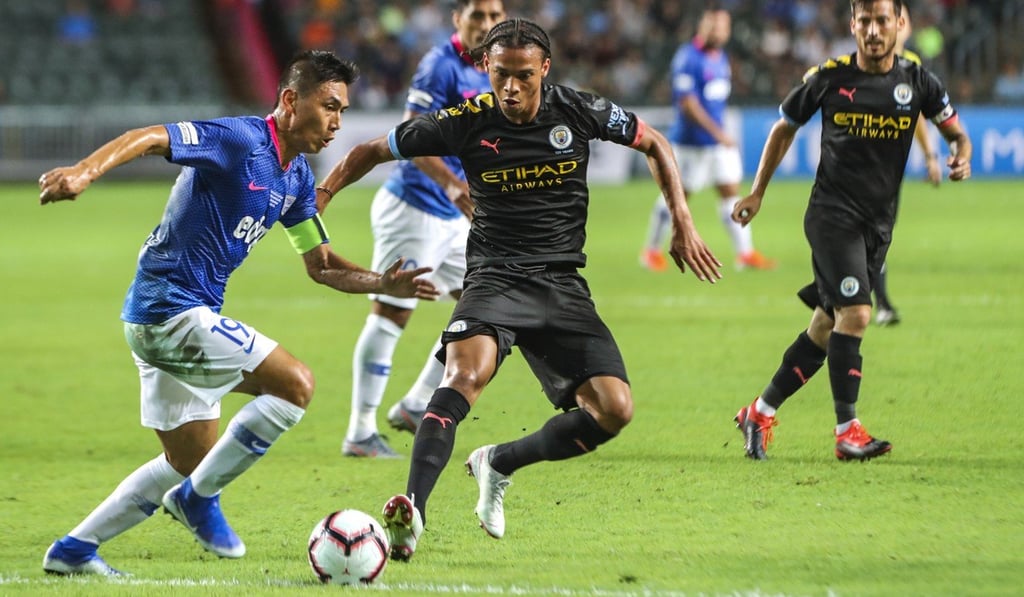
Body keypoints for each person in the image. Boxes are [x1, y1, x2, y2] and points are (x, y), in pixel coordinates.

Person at [316, 18, 722, 560]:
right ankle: (411, 514)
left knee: (614, 410)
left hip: (561, 283)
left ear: (544, 70)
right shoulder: (466, 120)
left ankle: (499, 463)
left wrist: (683, 222)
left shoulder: (577, 110)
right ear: (485, 67)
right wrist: (320, 196)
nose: (509, 88)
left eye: (523, 76)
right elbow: (371, 149)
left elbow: (656, 143)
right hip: (494, 278)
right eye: (500, 74)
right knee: (463, 376)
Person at [37, 50, 439, 576]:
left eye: (343, 110)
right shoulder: (239, 140)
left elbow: (320, 266)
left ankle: (73, 550)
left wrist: (381, 281)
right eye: (329, 106)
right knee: (295, 385)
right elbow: (153, 135)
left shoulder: (295, 177)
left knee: (188, 459)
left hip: (169, 317)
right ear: (291, 101)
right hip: (169, 308)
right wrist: (85, 172)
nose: (337, 122)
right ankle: (198, 500)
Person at [731, 0, 970, 461]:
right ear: (853, 25)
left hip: (878, 226)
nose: (875, 30)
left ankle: (758, 412)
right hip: (831, 216)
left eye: (884, 21)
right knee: (858, 312)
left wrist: (961, 154)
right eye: (866, 22)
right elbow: (784, 128)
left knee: (825, 325)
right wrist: (757, 192)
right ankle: (847, 431)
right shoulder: (828, 77)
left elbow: (956, 132)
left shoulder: (917, 80)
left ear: (900, 24)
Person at [339, 0, 506, 459]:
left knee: (482, 306)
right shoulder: (440, 66)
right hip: (415, 207)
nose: (486, 25)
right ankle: (359, 433)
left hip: (453, 218)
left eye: (495, 17)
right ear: (459, 20)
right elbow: (412, 134)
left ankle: (415, 405)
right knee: (393, 312)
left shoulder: (493, 69)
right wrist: (454, 186)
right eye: (477, 16)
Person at [640, 7, 776, 273]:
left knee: (730, 194)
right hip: (692, 143)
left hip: (717, 144)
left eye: (723, 27)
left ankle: (745, 254)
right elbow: (688, 104)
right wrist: (720, 134)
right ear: (702, 26)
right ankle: (651, 251)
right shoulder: (688, 58)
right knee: (677, 196)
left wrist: (720, 135)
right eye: (713, 26)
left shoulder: (720, 57)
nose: (718, 31)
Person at [873, 2, 942, 326]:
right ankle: (880, 304)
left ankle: (848, 295)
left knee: (877, 237)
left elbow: (917, 117)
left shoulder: (912, 65)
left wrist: (930, 155)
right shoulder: (865, 62)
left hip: (890, 167)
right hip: (861, 164)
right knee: (873, 236)